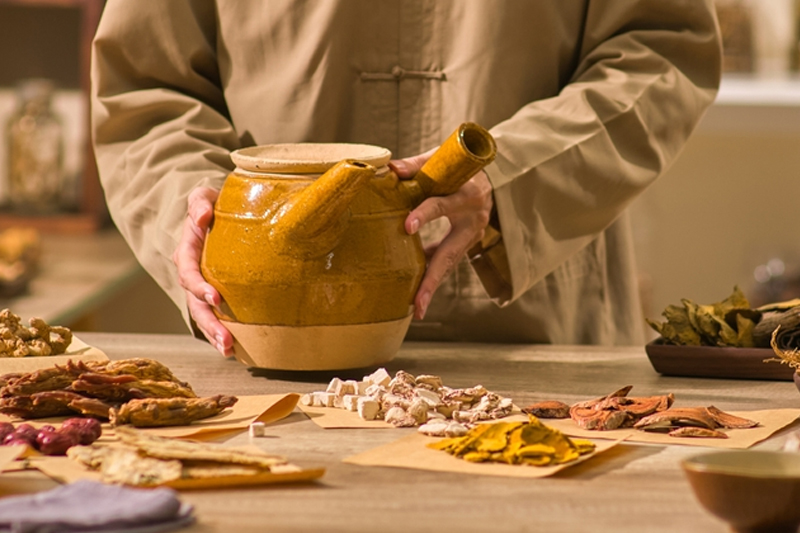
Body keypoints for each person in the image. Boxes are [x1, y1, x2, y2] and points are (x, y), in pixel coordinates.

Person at [91, 1, 722, 356]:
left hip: (539, 339)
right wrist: (202, 214)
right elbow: (148, 85)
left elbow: (662, 49)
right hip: (272, 342)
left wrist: (509, 176)